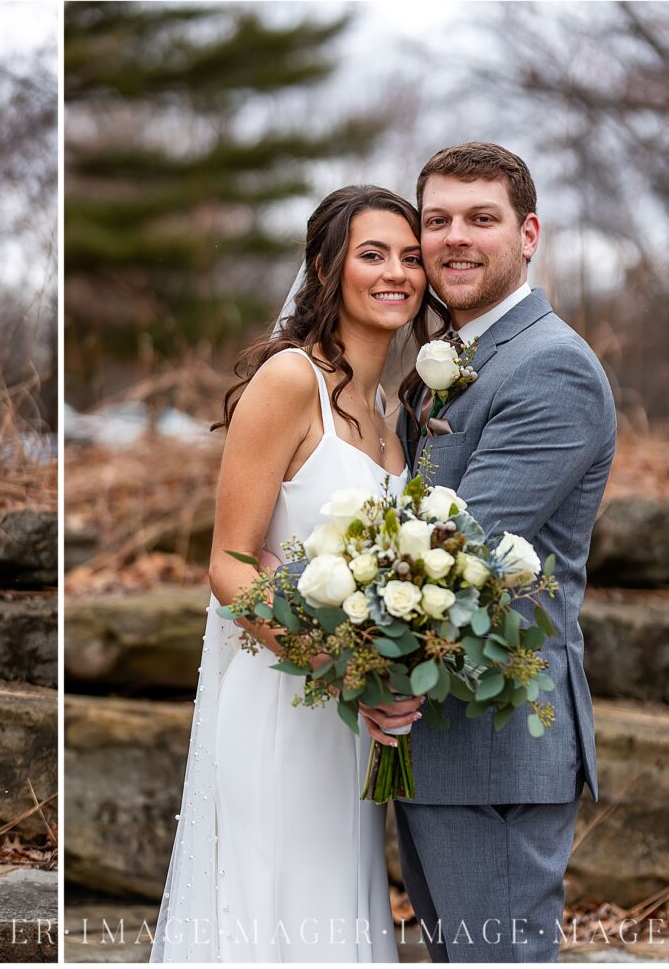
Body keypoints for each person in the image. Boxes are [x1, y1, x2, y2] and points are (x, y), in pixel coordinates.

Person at [152, 186, 448, 962]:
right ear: (325, 270)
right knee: (277, 907)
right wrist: (344, 672)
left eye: (411, 257)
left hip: (354, 722)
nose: (398, 273)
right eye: (372, 254)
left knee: (336, 904)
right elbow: (229, 562)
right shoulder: (291, 381)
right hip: (287, 696)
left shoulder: (389, 411)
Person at [384, 142, 615, 963]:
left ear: (528, 234)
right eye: (437, 219)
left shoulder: (551, 367)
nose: (455, 237)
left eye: (481, 219)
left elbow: (454, 554)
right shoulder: (453, 362)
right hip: (439, 738)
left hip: (497, 737)